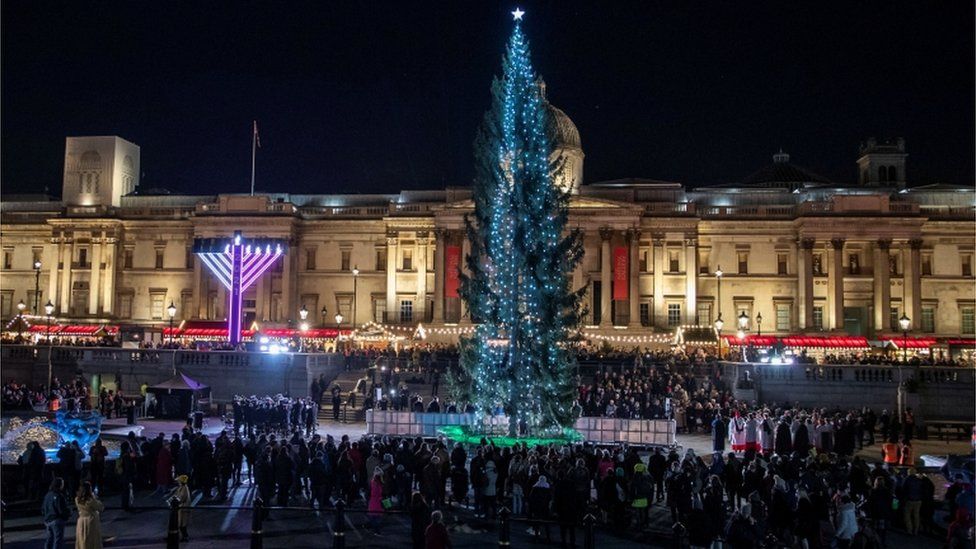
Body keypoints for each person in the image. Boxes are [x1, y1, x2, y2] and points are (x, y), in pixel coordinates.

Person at [42, 478, 71, 549]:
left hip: (48, 520)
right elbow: (61, 509)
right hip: (57, 520)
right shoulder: (59, 496)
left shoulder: (47, 495)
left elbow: (43, 508)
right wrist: (68, 513)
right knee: (57, 540)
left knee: (49, 540)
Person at [74, 481, 105, 549]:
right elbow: (100, 507)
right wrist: (95, 497)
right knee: (92, 540)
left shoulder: (77, 499)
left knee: (82, 539)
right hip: (91, 521)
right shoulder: (90, 500)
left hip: (81, 520)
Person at [173, 474, 191, 542]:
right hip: (181, 508)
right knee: (180, 524)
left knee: (182, 525)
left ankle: (185, 537)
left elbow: (182, 497)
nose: (178, 482)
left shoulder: (184, 488)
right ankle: (183, 536)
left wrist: (176, 500)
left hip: (183, 509)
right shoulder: (181, 487)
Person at [367, 468, 385, 533]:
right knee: (378, 517)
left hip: (373, 501)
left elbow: (368, 493)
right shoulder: (382, 484)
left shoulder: (372, 483)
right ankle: (377, 529)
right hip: (379, 502)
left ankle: (375, 529)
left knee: (373, 516)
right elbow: (385, 495)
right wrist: (388, 506)